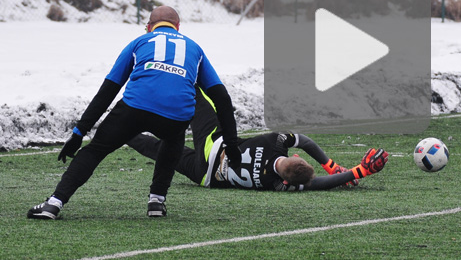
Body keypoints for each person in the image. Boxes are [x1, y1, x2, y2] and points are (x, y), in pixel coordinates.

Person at [27, 6, 241, 219]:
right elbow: (222, 98)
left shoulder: (138, 42)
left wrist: (78, 133)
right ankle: (157, 202)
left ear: (148, 27)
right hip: (175, 116)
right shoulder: (195, 49)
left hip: (135, 108)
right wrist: (231, 146)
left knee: (95, 150)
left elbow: (108, 91)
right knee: (172, 142)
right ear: (178, 27)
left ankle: (53, 204)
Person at [127, 88, 389, 191]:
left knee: (195, 94)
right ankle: (122, 134)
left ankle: (155, 88)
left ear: (293, 156)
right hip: (205, 178)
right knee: (158, 149)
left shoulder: (274, 142)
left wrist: (332, 164)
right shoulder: (276, 184)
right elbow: (318, 185)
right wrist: (358, 172)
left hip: (213, 148)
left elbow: (306, 142)